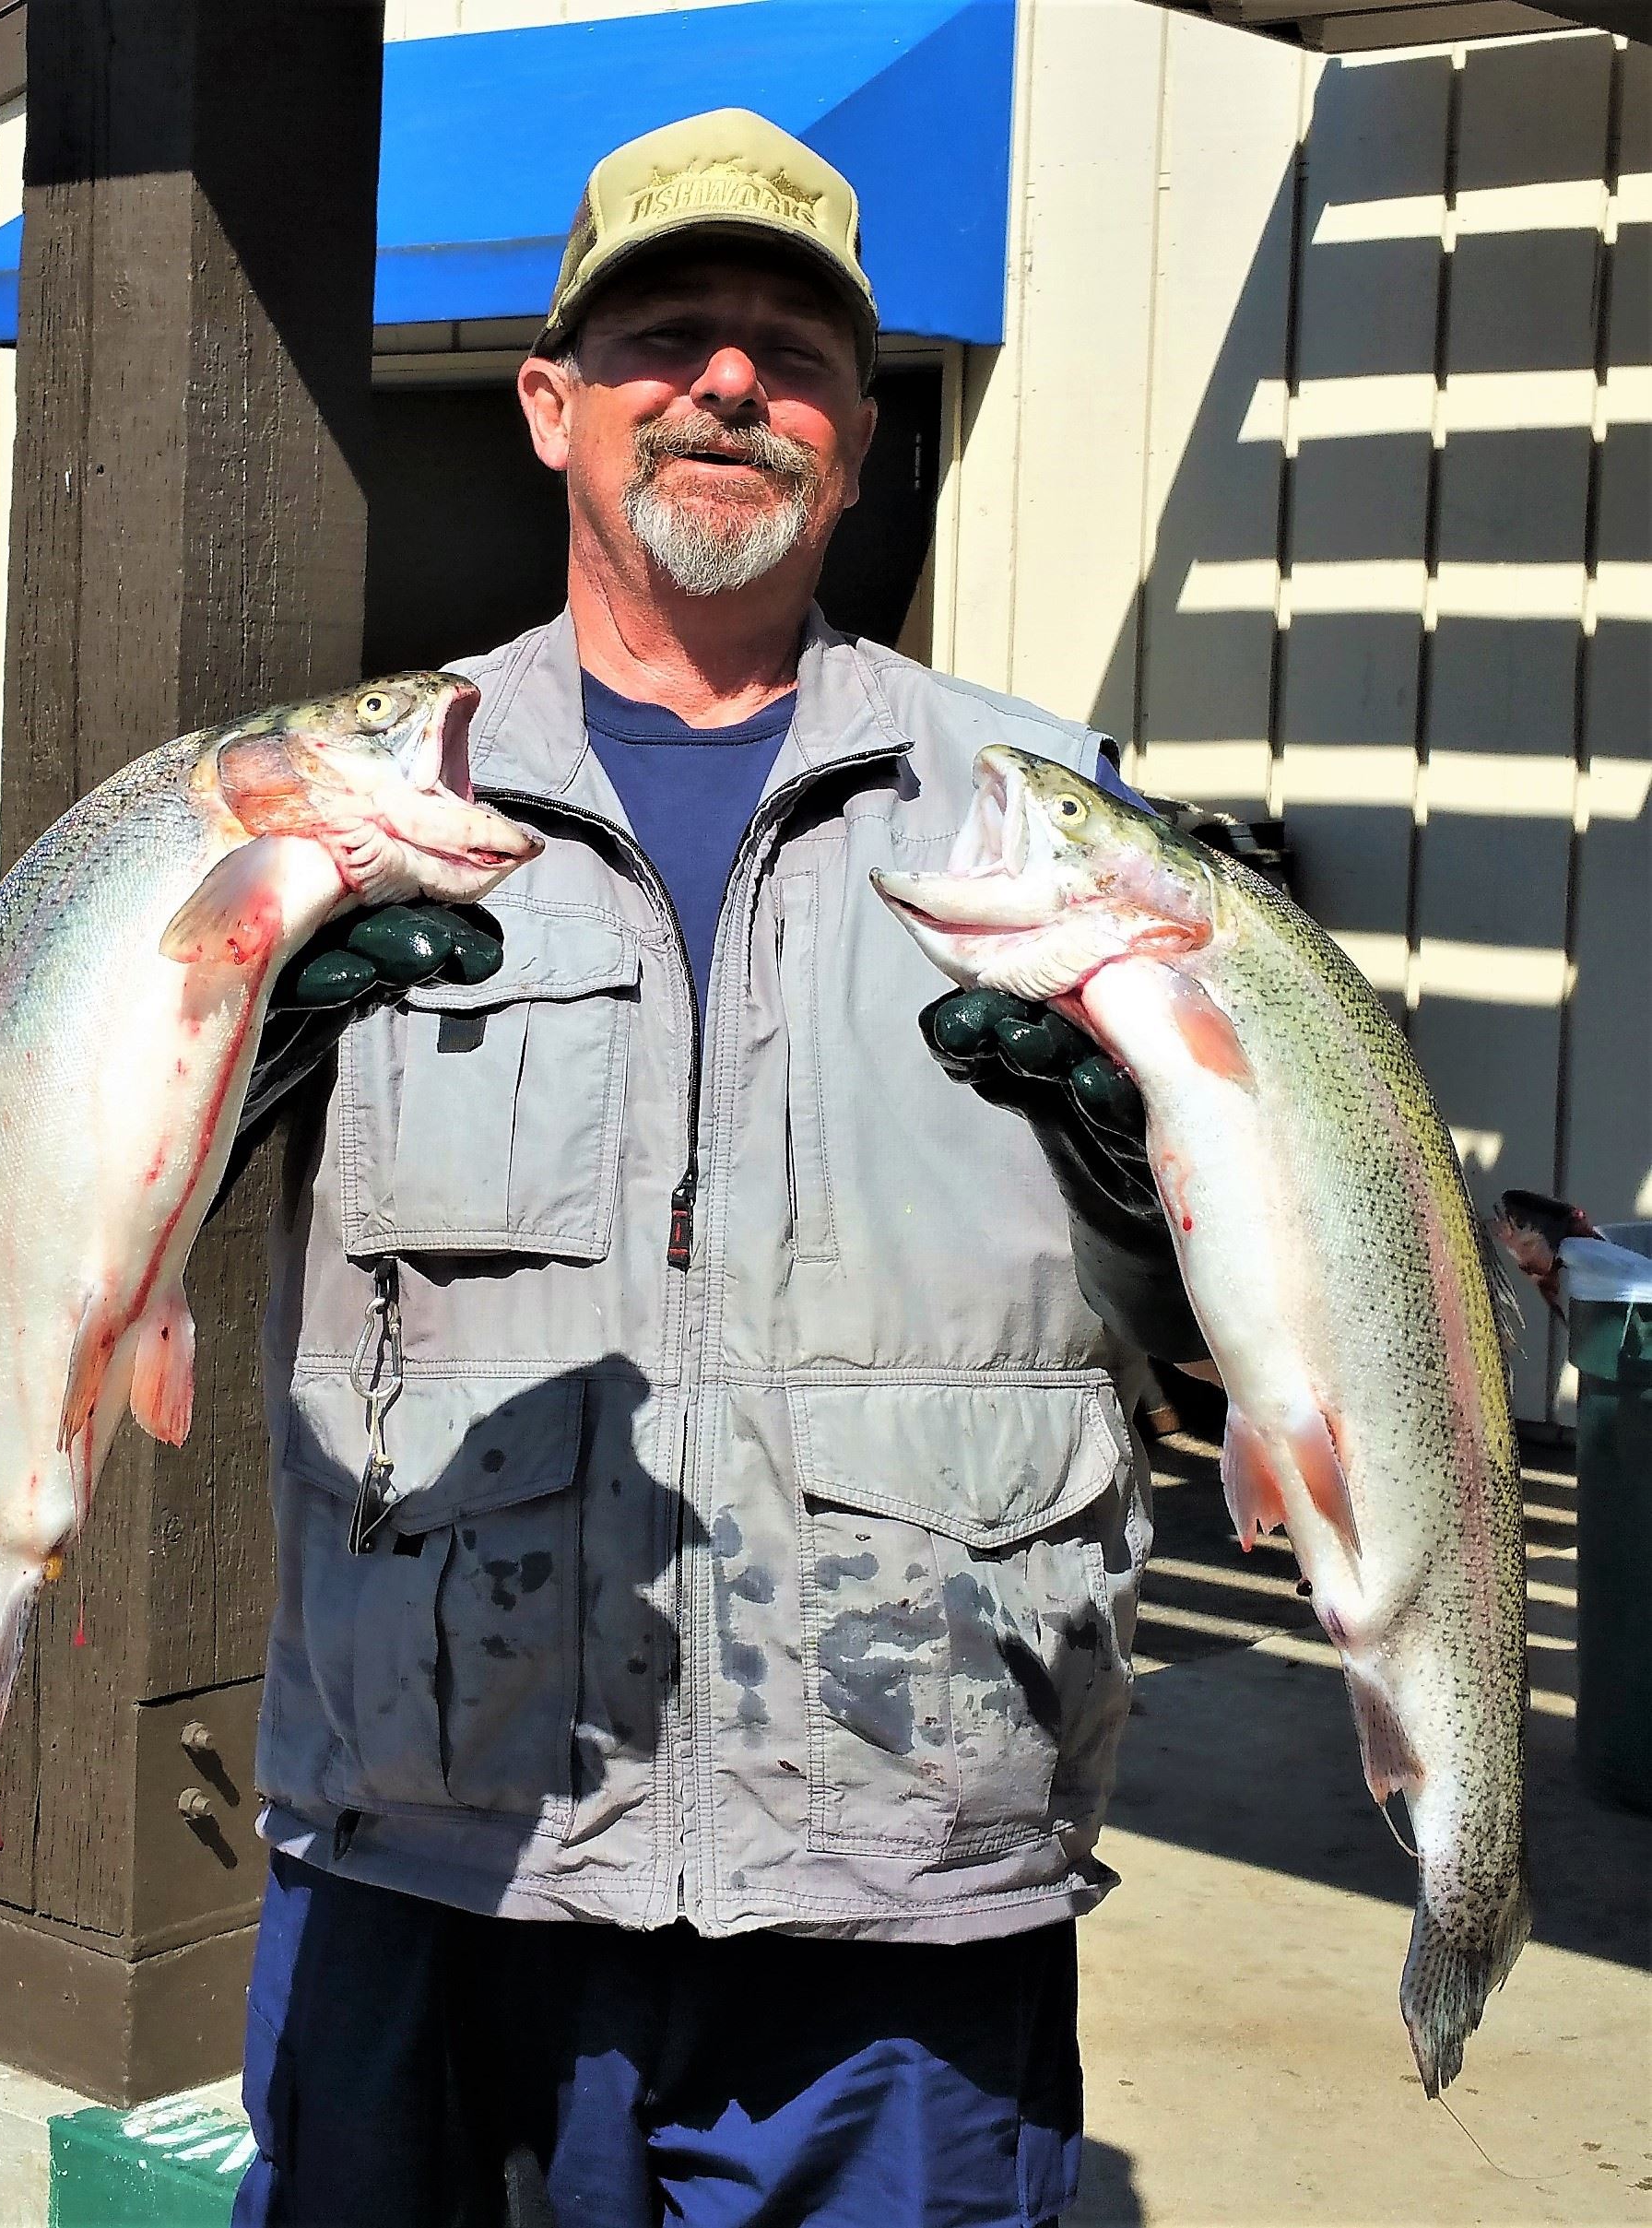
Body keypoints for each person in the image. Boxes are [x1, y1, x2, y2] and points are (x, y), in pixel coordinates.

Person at [231, 109, 1201, 2228]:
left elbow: (1214, 1351)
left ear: (858, 437)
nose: (731, 383)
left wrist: (1154, 1189)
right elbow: (89, 1212)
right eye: (669, 335)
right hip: (430, 1842)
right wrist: (222, 1050)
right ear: (553, 405)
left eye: (796, 352)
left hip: (899, 1871)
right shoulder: (352, 805)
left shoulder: (1056, 826)